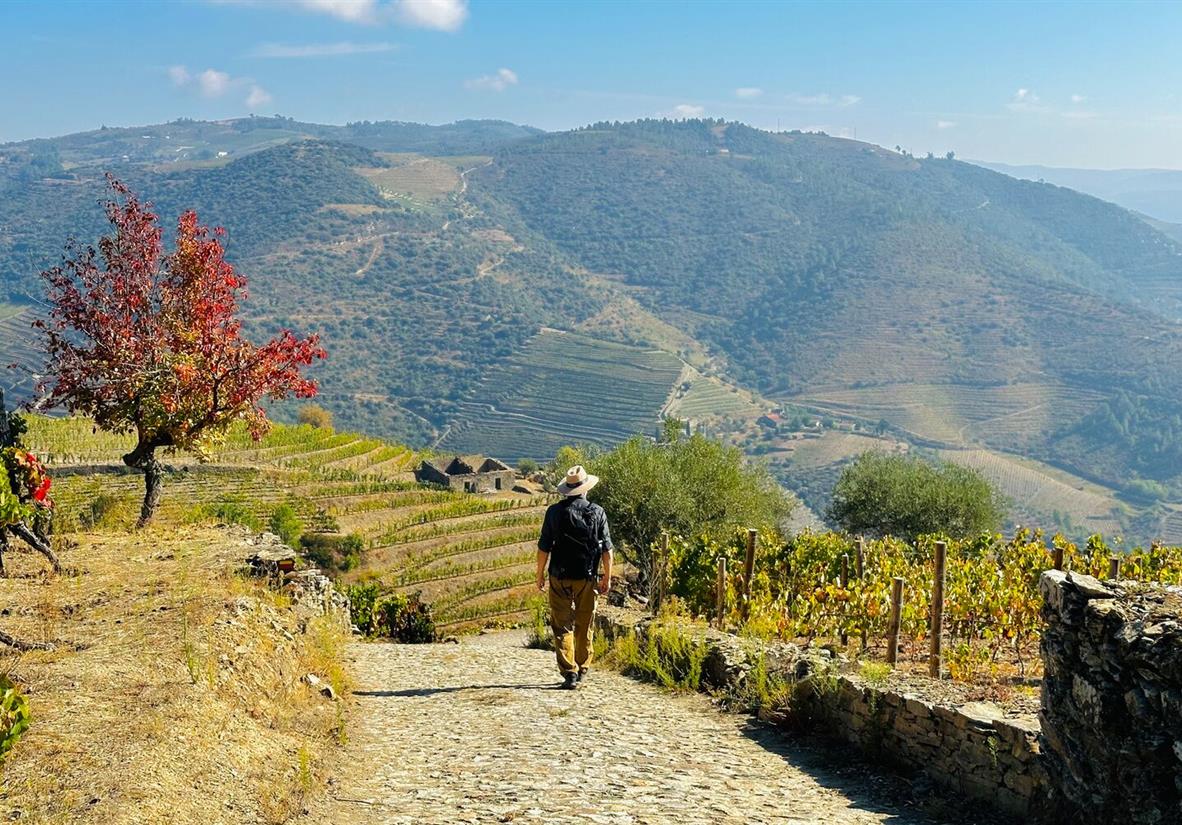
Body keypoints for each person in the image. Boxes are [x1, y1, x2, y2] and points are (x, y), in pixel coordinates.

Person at [536, 465, 614, 690]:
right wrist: (607, 577)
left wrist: (539, 575)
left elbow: (544, 548)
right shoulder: (597, 512)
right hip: (587, 577)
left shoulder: (553, 512)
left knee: (562, 626)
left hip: (559, 576)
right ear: (585, 489)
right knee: (584, 622)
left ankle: (569, 672)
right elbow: (607, 550)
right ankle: (583, 667)